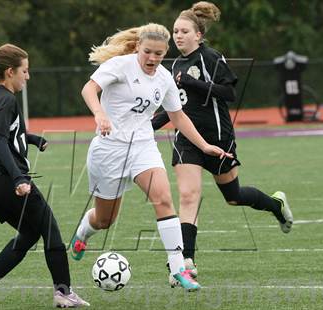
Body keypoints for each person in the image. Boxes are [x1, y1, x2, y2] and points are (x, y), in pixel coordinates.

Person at [70, 23, 232, 292]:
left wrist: (204, 146)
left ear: (165, 52)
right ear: (137, 48)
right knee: (104, 219)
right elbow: (89, 89)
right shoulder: (120, 65)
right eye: (148, 52)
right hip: (109, 150)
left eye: (158, 54)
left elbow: (178, 116)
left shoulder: (164, 78)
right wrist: (100, 113)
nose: (153, 59)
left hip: (143, 147)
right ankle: (83, 232)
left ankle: (179, 269)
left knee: (163, 198)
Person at [151, 1, 293, 285]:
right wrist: (145, 126)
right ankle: (186, 262)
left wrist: (194, 84)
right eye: (175, 31)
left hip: (219, 138)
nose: (178, 36)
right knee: (189, 196)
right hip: (189, 140)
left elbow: (228, 92)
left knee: (234, 196)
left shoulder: (212, 57)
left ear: (198, 35)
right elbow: (173, 108)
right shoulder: (175, 65)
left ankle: (276, 205)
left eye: (183, 31)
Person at [0, 43, 89, 309]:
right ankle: (64, 292)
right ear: (10, 72)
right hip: (6, 179)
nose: (28, 76)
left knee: (30, 234)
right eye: (25, 71)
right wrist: (20, 179)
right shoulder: (7, 99)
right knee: (50, 228)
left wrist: (30, 138)